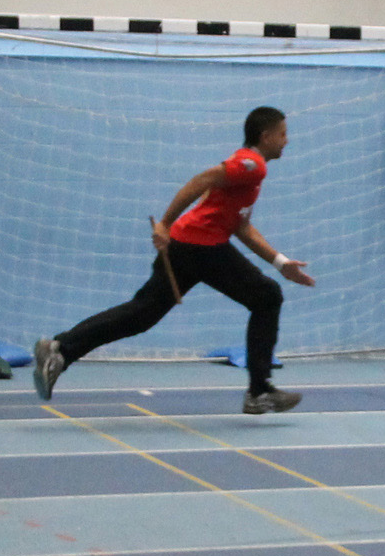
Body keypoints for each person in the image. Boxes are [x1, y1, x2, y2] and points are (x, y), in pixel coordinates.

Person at [32, 106, 315, 414]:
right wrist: (165, 223)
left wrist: (279, 262)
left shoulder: (251, 172)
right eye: (283, 134)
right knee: (267, 297)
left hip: (191, 246)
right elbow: (200, 180)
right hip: (200, 248)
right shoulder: (252, 164)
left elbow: (241, 227)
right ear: (266, 136)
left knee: (143, 314)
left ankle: (60, 350)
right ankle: (259, 391)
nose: (287, 141)